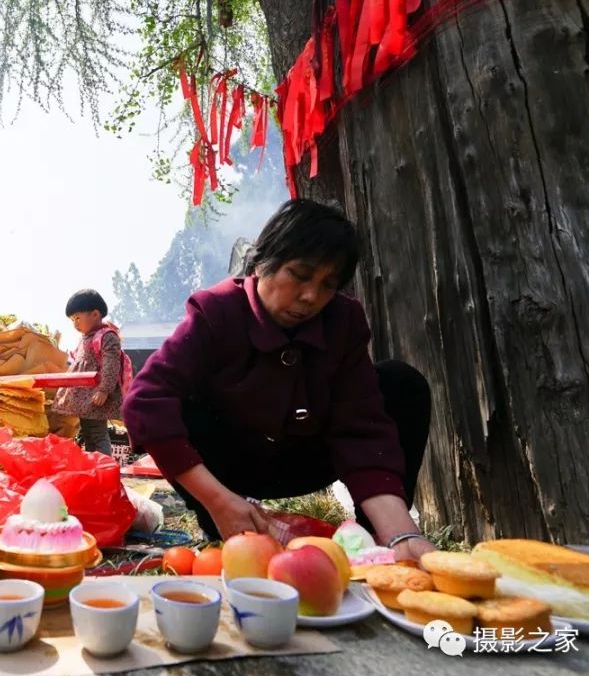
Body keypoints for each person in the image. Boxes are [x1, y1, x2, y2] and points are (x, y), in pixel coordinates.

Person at [121, 199, 436, 561]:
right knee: (178, 402)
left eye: (328, 284)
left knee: (400, 384)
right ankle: (222, 519)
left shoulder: (343, 322)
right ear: (262, 261)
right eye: (299, 275)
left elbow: (361, 428)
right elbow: (145, 401)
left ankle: (376, 541)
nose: (310, 297)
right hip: (226, 469)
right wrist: (217, 499)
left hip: (301, 457)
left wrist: (401, 534)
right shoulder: (216, 311)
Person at [53, 289, 123, 455]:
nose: (75, 324)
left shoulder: (106, 336)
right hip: (84, 399)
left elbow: (111, 365)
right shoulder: (85, 338)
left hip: (96, 397)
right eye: (72, 320)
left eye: (77, 318)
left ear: (95, 314)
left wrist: (104, 390)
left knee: (98, 433)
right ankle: (95, 469)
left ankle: (104, 469)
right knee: (89, 434)